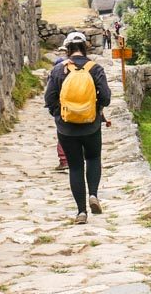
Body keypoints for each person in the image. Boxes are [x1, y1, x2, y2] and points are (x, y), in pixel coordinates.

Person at [44, 31, 112, 224]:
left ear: (67, 49)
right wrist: (95, 110)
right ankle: (94, 194)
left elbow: (49, 99)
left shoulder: (58, 70)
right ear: (84, 47)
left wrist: (60, 115)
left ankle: (81, 212)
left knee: (75, 167)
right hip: (91, 126)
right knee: (93, 158)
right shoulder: (95, 68)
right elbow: (106, 97)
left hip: (66, 129)